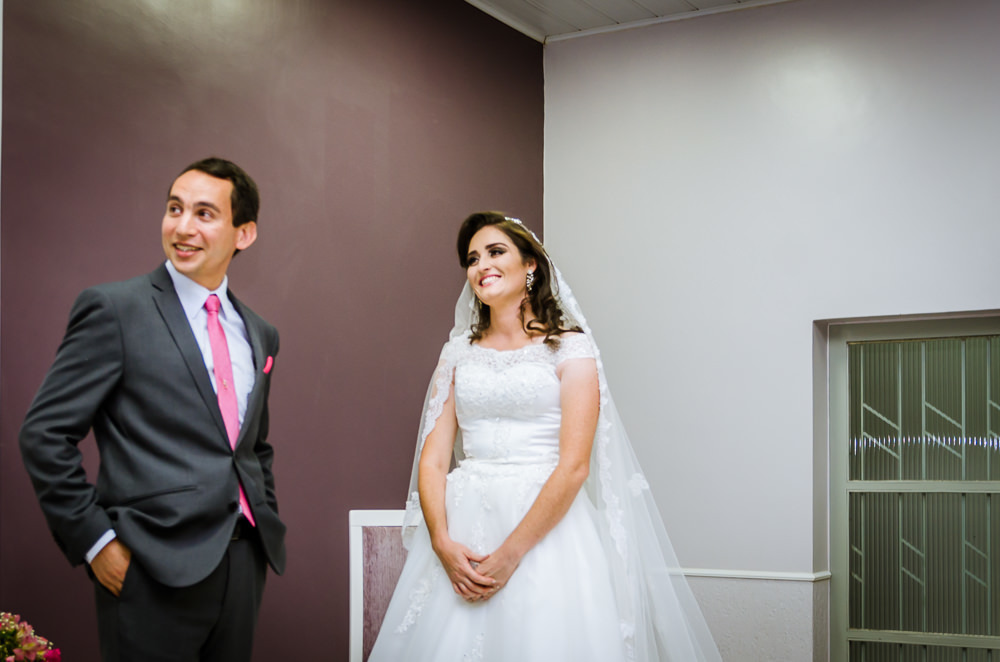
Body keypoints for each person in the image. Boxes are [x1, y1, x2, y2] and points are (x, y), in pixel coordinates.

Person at [368, 212, 721, 661]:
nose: (481, 266)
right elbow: (434, 459)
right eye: (472, 259)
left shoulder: (571, 349)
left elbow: (574, 466)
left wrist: (510, 555)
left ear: (530, 264)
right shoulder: (457, 354)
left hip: (547, 529)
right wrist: (441, 543)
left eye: (495, 252)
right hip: (462, 526)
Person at [19, 157, 286, 662]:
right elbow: (44, 434)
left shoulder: (259, 332)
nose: (182, 227)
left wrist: (261, 522)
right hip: (149, 569)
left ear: (244, 233)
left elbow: (253, 446)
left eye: (204, 214)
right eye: (174, 208)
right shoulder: (114, 309)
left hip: (242, 564)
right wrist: (96, 542)